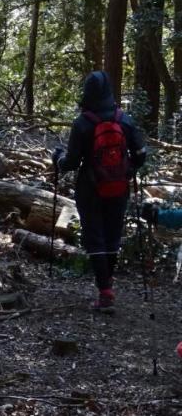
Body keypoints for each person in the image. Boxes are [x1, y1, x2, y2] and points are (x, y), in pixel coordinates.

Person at [53, 71, 146, 313]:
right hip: (119, 187)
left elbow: (71, 163)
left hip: (90, 188)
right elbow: (141, 154)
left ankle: (105, 292)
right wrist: (127, 171)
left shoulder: (82, 123)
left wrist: (58, 158)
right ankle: (108, 284)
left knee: (95, 236)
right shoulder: (124, 120)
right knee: (113, 235)